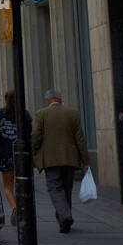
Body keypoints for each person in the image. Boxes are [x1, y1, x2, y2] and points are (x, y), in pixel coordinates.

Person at [32, 89, 90, 234]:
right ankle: (64, 220)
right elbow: (80, 139)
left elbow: (36, 135)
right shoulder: (72, 114)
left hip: (50, 159)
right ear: (59, 99)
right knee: (66, 189)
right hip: (70, 158)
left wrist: (34, 151)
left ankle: (65, 216)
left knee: (55, 188)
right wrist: (85, 160)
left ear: (48, 100)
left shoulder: (41, 114)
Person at [0, 89, 31, 226]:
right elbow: (29, 134)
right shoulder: (24, 115)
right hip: (22, 155)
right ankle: (21, 207)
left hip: (5, 154)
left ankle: (15, 207)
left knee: (8, 186)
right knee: (22, 183)